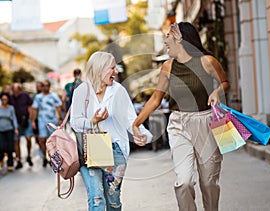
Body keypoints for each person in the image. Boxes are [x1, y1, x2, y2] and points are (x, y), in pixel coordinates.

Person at [132, 22, 230, 211]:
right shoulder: (167, 67)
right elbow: (155, 99)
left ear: (181, 38)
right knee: (184, 182)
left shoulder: (207, 61)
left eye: (169, 35)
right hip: (179, 125)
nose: (166, 40)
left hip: (207, 122)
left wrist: (217, 91)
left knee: (209, 182)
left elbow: (225, 82)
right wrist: (137, 124)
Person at [70, 51, 152, 211]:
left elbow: (130, 119)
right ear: (99, 69)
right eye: (112, 68)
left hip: (116, 150)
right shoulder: (82, 91)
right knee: (97, 199)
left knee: (113, 201)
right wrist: (93, 121)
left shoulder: (118, 90)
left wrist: (142, 134)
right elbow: (75, 122)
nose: (116, 72)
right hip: (90, 150)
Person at [31, 80, 63, 167]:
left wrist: (60, 118)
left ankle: (53, 158)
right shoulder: (38, 97)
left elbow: (58, 107)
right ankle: (44, 158)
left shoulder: (54, 96)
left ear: (49, 86)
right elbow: (34, 109)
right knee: (42, 139)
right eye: (44, 85)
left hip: (52, 121)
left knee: (52, 141)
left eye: (47, 85)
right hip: (42, 120)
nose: (45, 87)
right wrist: (33, 120)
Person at [9, 83, 34, 169]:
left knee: (28, 139)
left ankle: (29, 156)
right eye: (14, 91)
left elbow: (31, 107)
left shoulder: (25, 95)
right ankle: (18, 160)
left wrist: (31, 119)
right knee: (16, 141)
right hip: (16, 122)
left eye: (17, 91)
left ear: (20, 90)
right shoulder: (11, 97)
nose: (15, 93)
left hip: (26, 120)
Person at [0, 92, 18, 172]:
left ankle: (10, 164)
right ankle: (1, 160)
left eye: (6, 99)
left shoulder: (11, 108)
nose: (4, 101)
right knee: (1, 147)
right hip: (0, 130)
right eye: (3, 99)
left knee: (10, 147)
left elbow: (14, 118)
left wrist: (16, 128)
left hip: (9, 129)